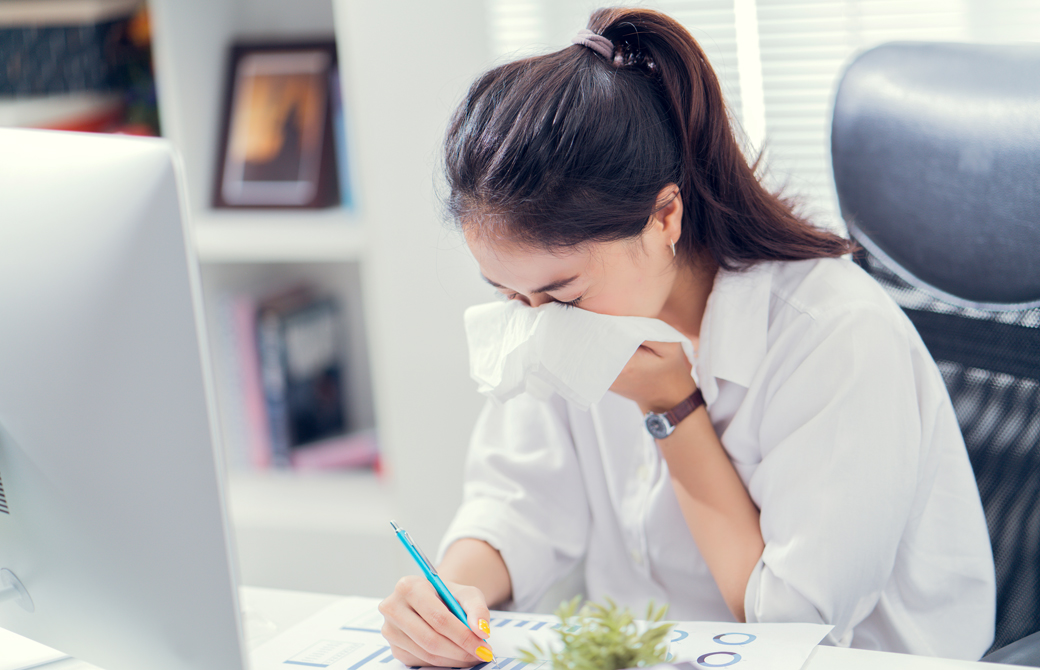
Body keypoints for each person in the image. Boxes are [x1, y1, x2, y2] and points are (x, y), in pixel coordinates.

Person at [378, 7, 996, 666]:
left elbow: (791, 627)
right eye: (508, 294)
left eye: (561, 294)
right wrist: (455, 594)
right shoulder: (561, 311)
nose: (537, 320)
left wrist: (671, 407)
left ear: (664, 216)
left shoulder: (838, 338)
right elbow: (518, 500)